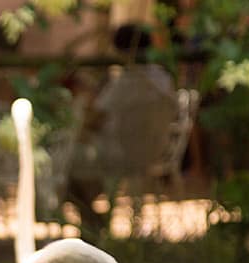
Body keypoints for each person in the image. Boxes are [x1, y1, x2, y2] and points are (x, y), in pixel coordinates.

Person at [67, 23, 179, 229]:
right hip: (158, 151)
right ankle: (94, 220)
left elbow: (95, 119)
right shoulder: (163, 79)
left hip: (122, 155)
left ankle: (92, 221)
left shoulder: (125, 82)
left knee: (67, 168)